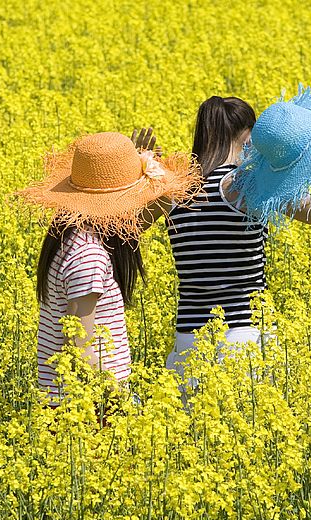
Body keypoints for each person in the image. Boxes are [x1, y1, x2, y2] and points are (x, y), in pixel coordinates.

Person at [165, 86, 311, 383]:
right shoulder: (248, 188)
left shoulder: (171, 193)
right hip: (242, 339)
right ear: (248, 136)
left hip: (187, 342)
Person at [15, 129, 199, 404]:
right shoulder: (88, 256)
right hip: (88, 410)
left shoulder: (74, 236)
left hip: (80, 403)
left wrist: (137, 163)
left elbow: (135, 226)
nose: (138, 207)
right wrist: (124, 403)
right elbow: (80, 347)